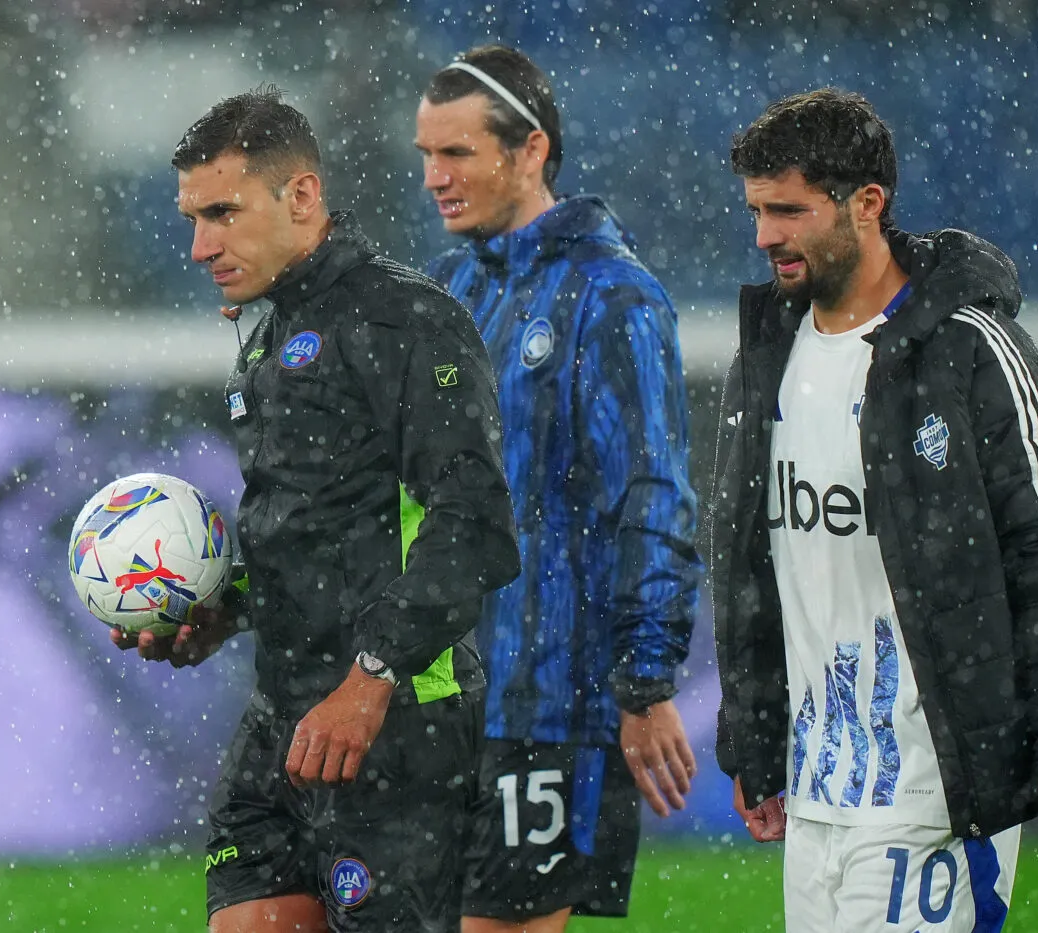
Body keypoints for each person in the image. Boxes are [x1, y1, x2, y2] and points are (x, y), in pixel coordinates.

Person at [708, 88, 1038, 931]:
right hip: (819, 800)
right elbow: (752, 568)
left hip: (933, 794)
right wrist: (757, 741)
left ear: (868, 203)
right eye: (756, 211)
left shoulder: (966, 351)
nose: (764, 237)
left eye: (787, 210)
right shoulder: (767, 355)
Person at [112, 85, 520, 933]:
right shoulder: (266, 331)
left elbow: (473, 523)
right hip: (283, 719)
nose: (198, 246)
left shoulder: (405, 318)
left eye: (221, 212)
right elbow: (317, 529)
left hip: (399, 725)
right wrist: (225, 612)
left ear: (300, 195)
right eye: (191, 217)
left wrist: (371, 678)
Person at [413, 45, 703, 933]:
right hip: (443, 693)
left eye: (456, 153)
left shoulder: (615, 298)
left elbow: (652, 494)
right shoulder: (452, 286)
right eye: (425, 155)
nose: (434, 178)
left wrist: (645, 683)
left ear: (530, 150)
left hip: (550, 702)